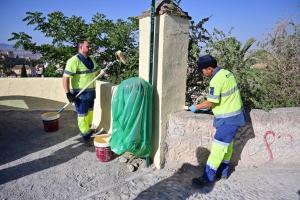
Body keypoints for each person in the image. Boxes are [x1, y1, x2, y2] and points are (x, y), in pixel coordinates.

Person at [189, 55, 246, 186]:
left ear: (209, 68)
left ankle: (207, 178)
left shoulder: (216, 80)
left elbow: (210, 102)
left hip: (227, 120)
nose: (202, 73)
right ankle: (223, 172)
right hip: (236, 117)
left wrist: (195, 107)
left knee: (217, 149)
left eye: (203, 70)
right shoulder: (227, 73)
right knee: (227, 147)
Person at [63, 39, 100, 144]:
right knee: (82, 115)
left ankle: (89, 130)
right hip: (80, 94)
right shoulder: (73, 61)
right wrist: (68, 93)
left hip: (91, 93)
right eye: (88, 46)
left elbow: (96, 73)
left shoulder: (92, 59)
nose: (90, 48)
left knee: (90, 113)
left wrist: (102, 72)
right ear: (81, 47)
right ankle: (85, 136)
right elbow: (65, 78)